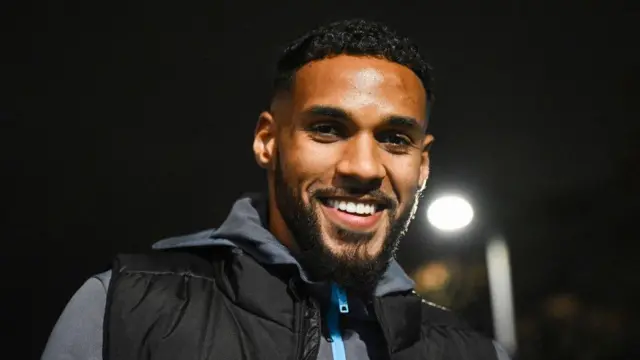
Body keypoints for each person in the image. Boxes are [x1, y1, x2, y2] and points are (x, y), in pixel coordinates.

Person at [42, 19, 510, 360]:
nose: (365, 167)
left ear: (422, 165)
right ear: (268, 141)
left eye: (395, 139)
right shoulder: (121, 309)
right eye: (327, 129)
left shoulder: (476, 352)